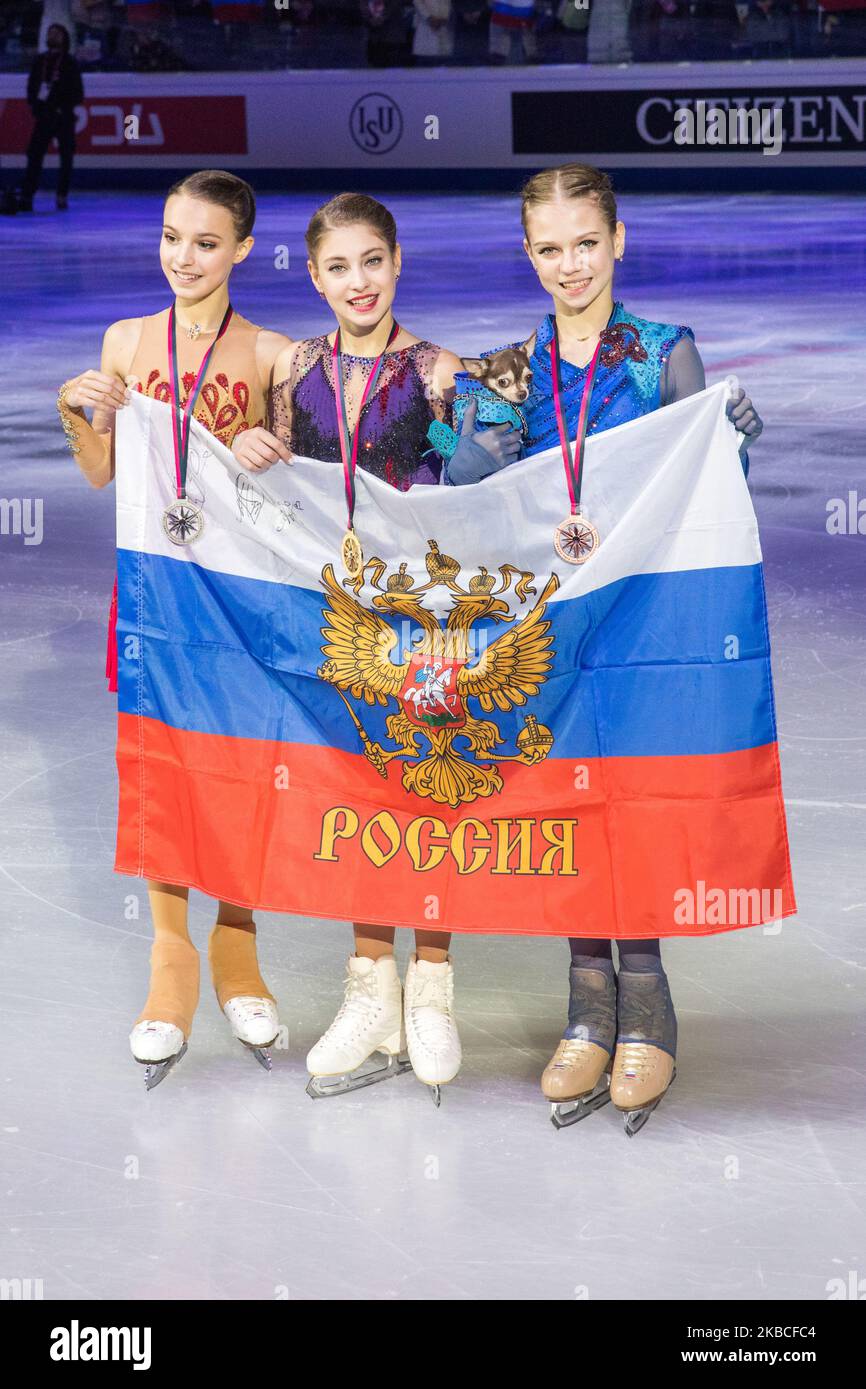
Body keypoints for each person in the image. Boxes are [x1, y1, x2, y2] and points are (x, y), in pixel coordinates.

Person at [444, 162, 764, 1135]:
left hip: (642, 623)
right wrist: (472, 460)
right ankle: (588, 999)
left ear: (616, 240)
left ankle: (647, 998)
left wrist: (733, 443)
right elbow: (461, 509)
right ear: (528, 253)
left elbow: (701, 489)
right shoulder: (505, 372)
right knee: (569, 808)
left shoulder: (664, 353)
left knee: (633, 807)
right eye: (549, 248)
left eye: (585, 243)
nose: (569, 264)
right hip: (547, 634)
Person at [233, 193, 476, 1105]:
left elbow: (477, 484)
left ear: (398, 261)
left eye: (372, 261)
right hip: (338, 619)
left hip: (427, 619)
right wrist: (250, 446)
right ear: (313, 275)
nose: (357, 282)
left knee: (430, 789)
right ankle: (370, 983)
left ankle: (432, 987)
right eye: (338, 267)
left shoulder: (440, 370)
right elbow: (278, 487)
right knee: (361, 791)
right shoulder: (297, 370)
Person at [55, 169, 294, 1088]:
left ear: (240, 249)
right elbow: (99, 475)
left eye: (204, 242)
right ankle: (170, 958)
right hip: (154, 596)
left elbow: (292, 497)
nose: (182, 258)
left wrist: (269, 458)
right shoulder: (123, 341)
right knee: (160, 766)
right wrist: (82, 414)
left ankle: (237, 946)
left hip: (236, 602)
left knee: (236, 767)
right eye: (170, 237)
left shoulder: (271, 354)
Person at [19, 23, 82, 213]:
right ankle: (27, 194)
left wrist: (63, 107)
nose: (52, 36)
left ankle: (61, 195)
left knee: (66, 157)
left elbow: (78, 92)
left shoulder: (70, 63)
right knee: (34, 154)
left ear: (64, 38)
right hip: (44, 115)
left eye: (56, 34)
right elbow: (32, 87)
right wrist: (36, 107)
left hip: (63, 116)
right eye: (50, 33)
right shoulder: (40, 61)